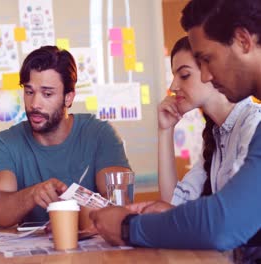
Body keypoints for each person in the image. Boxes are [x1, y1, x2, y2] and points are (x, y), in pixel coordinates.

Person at [90, 0, 261, 252]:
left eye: (207, 59)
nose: (206, 76)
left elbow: (223, 222)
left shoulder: (251, 123)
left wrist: (128, 227)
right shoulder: (218, 135)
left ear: (243, 41)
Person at [0, 46, 131, 227]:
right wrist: (32, 195)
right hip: (32, 255)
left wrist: (66, 219)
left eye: (47, 94)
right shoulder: (5, 143)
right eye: (29, 92)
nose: (35, 104)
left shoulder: (101, 134)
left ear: (68, 98)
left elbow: (118, 206)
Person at [158, 36, 261, 206]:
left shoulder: (253, 124)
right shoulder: (217, 135)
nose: (173, 87)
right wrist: (165, 130)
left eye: (184, 75)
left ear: (211, 72)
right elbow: (173, 204)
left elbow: (235, 208)